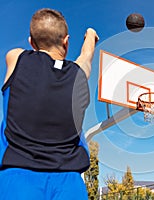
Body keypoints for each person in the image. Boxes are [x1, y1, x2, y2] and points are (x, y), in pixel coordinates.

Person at [0, 8, 99, 199]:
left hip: (18, 178)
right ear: (66, 41)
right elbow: (86, 56)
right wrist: (91, 34)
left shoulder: (16, 58)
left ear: (31, 42)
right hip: (68, 183)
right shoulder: (78, 74)